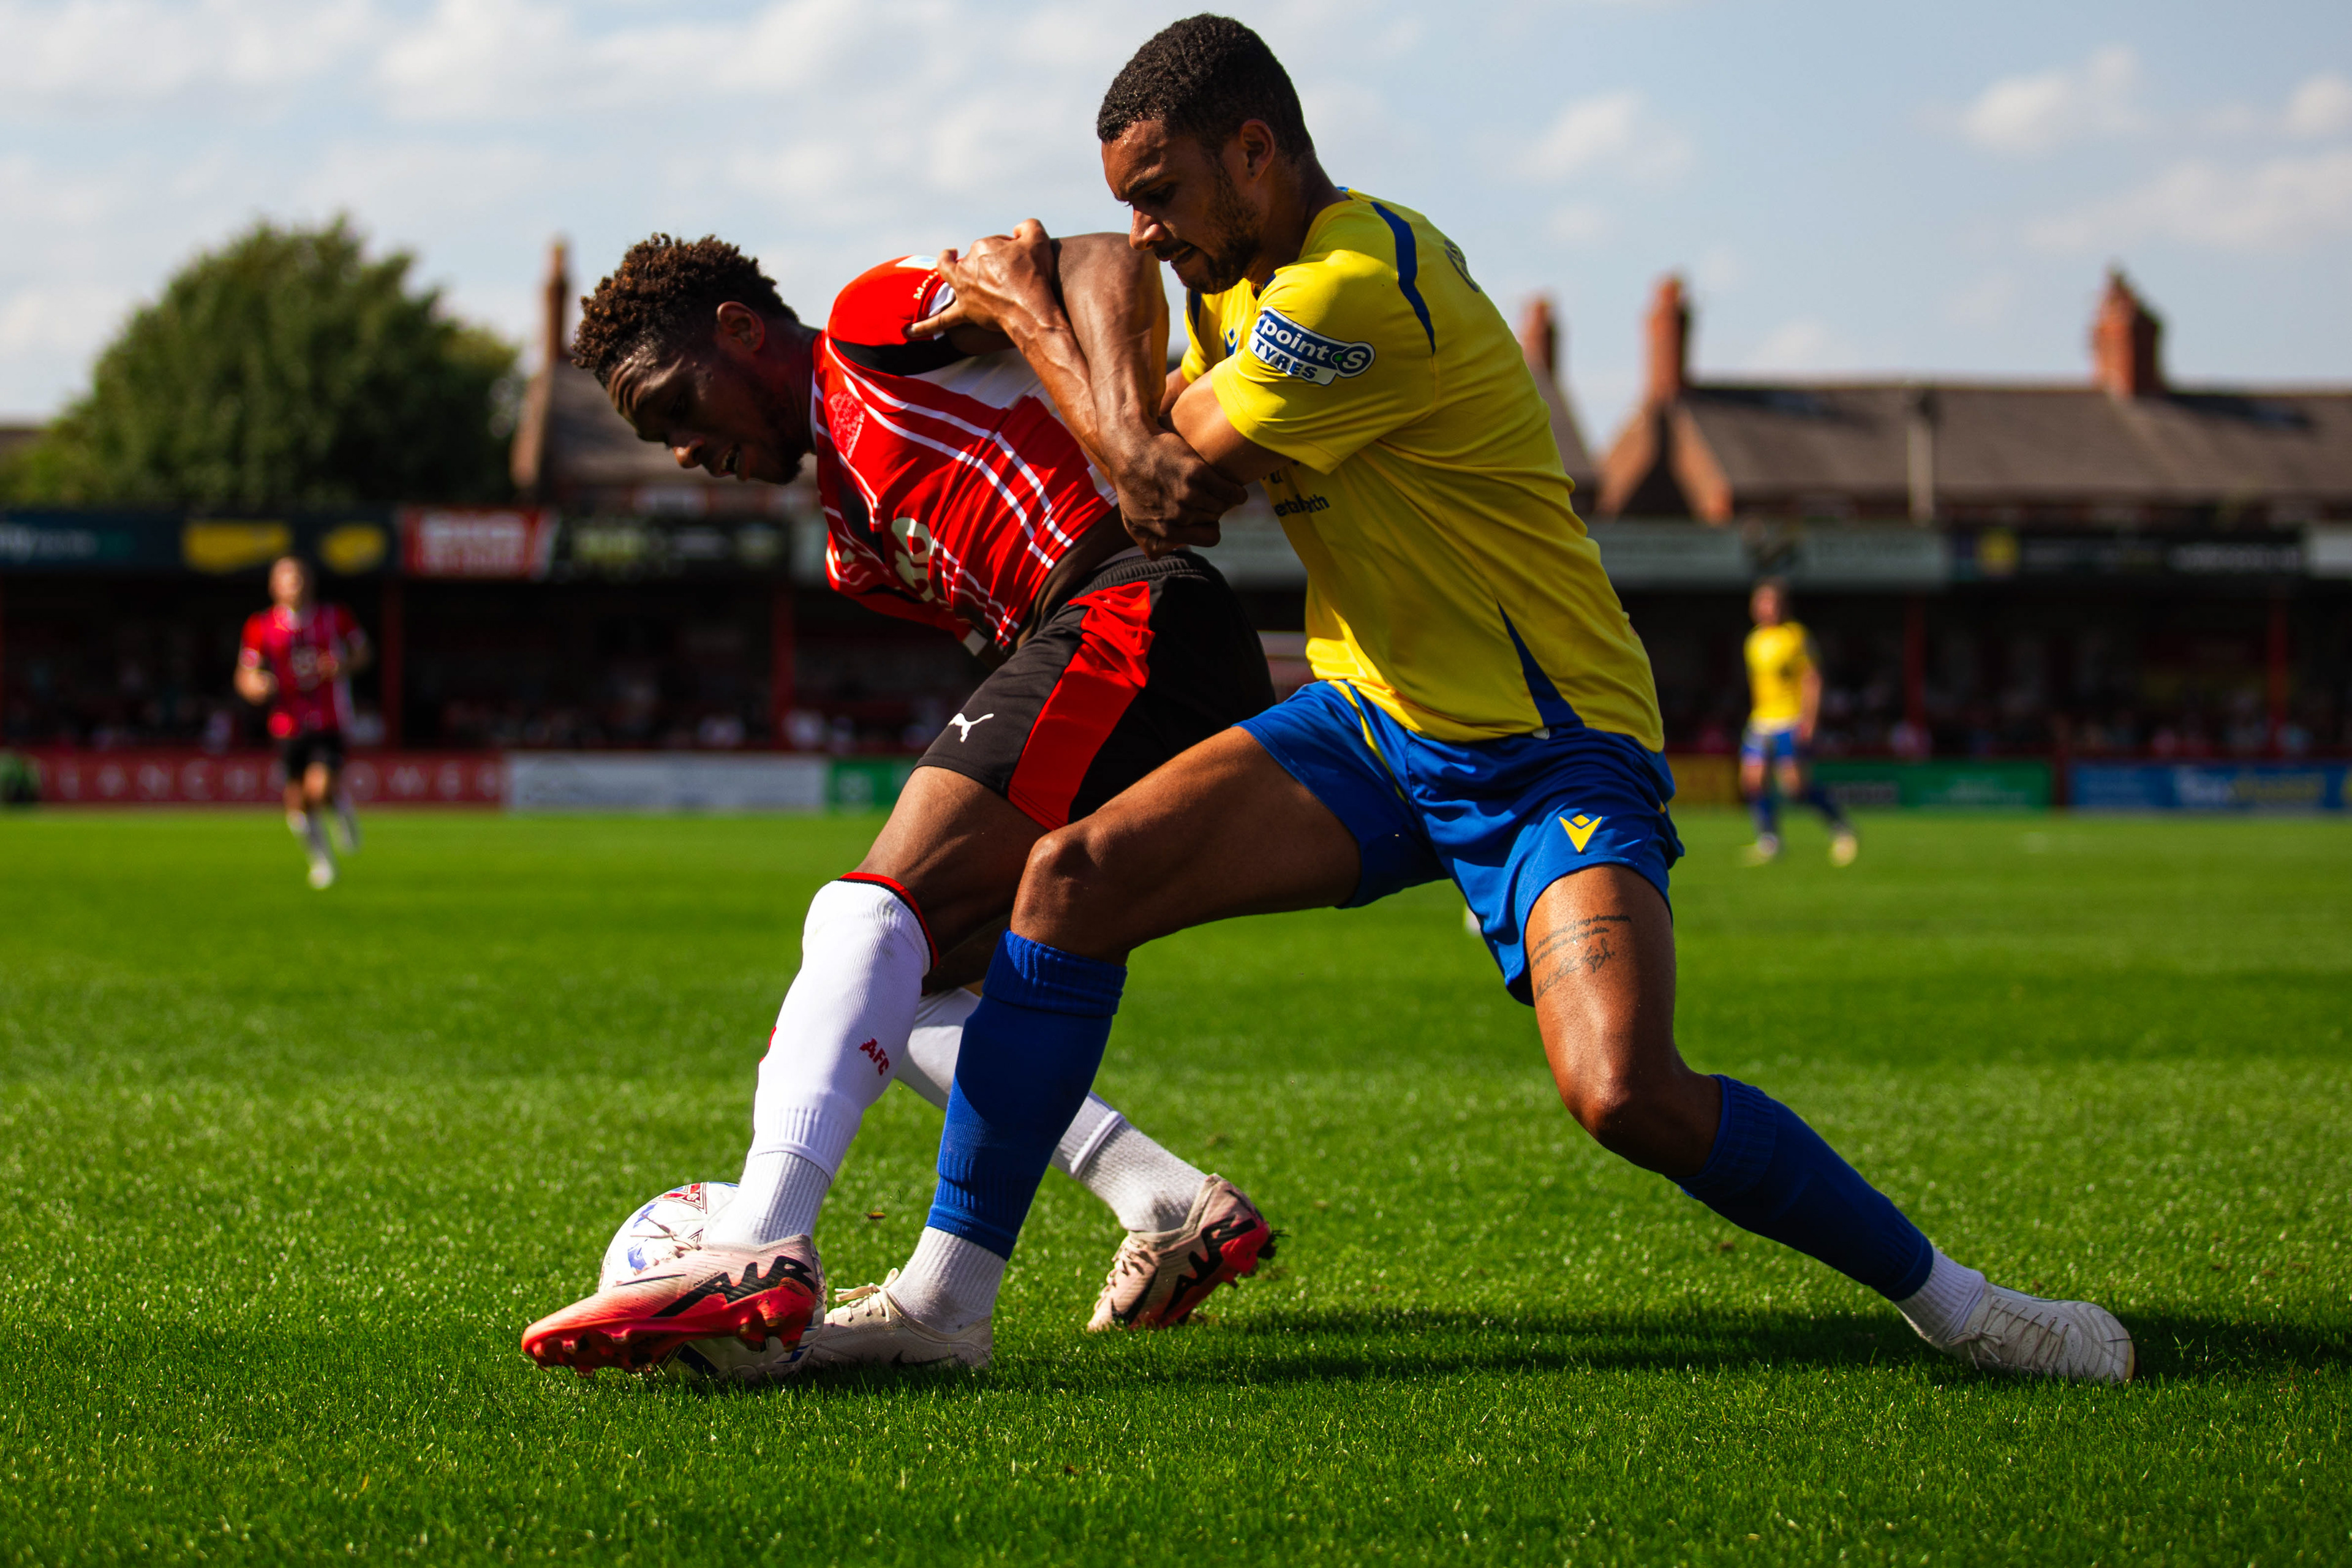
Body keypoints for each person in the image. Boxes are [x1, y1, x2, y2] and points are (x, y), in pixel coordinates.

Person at [809, 13, 2134, 1383]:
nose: (1144, 233)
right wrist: (1084, 326)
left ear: (1255, 153)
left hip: (1548, 745)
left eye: (1159, 194)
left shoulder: (1352, 288)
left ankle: (1966, 1307)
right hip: (1374, 722)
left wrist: (1032, 313)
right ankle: (943, 1303)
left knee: (1625, 1091)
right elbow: (1141, 423)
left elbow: (1160, 493)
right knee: (1069, 882)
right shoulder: (1230, 286)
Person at [520, 233, 1279, 1376]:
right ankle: (1137, 1212)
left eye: (676, 406)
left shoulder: (874, 326)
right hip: (1114, 638)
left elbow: (1094, 263)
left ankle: (758, 1236)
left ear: (739, 330)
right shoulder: (854, 545)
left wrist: (1125, 432)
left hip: (1133, 605)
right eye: (657, 439)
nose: (685, 449)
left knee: (867, 919)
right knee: (905, 985)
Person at [235, 556, 368, 889]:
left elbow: (363, 653)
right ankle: (321, 861)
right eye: (286, 578)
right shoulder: (260, 626)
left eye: (299, 578)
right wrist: (256, 686)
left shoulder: (334, 617)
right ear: (274, 586)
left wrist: (342, 665)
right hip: (287, 722)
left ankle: (338, 803)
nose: (294, 585)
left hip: (329, 717)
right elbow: (245, 674)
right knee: (296, 799)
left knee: (318, 787)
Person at [1740, 578, 1858, 866]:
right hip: (1762, 720)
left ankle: (1841, 826)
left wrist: (1810, 721)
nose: (1768, 609)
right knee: (1752, 780)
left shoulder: (1796, 636)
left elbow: (1812, 680)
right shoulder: (1754, 640)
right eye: (1763, 603)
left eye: (1773, 603)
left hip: (1790, 718)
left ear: (1784, 607)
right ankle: (1770, 841)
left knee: (1795, 786)